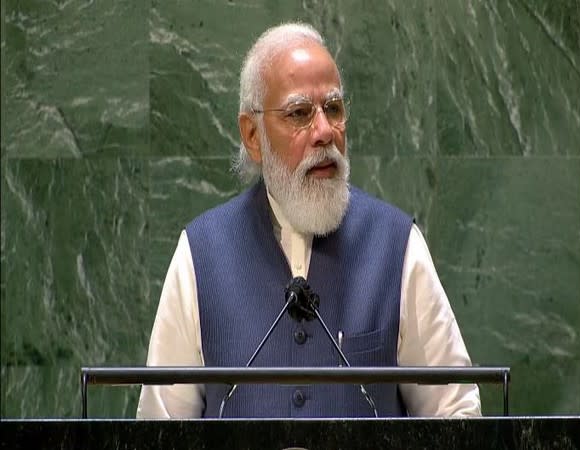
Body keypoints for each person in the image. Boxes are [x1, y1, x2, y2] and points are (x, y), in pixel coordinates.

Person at [137, 22, 481, 419]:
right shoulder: (200, 253)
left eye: (333, 109)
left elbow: (455, 412)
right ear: (253, 136)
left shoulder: (397, 244)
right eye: (300, 113)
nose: (324, 132)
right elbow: (161, 426)